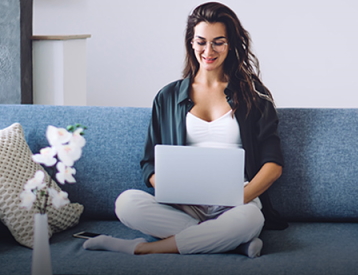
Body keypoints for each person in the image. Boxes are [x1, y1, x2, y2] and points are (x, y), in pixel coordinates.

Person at [83, 1, 287, 257]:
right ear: (191, 43)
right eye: (201, 41)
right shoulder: (167, 97)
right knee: (126, 204)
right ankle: (231, 241)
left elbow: (273, 165)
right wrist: (173, 191)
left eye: (218, 42)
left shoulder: (254, 95)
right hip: (184, 205)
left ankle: (141, 248)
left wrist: (240, 197)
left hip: (238, 202)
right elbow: (149, 164)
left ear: (231, 44)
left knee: (251, 220)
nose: (208, 50)